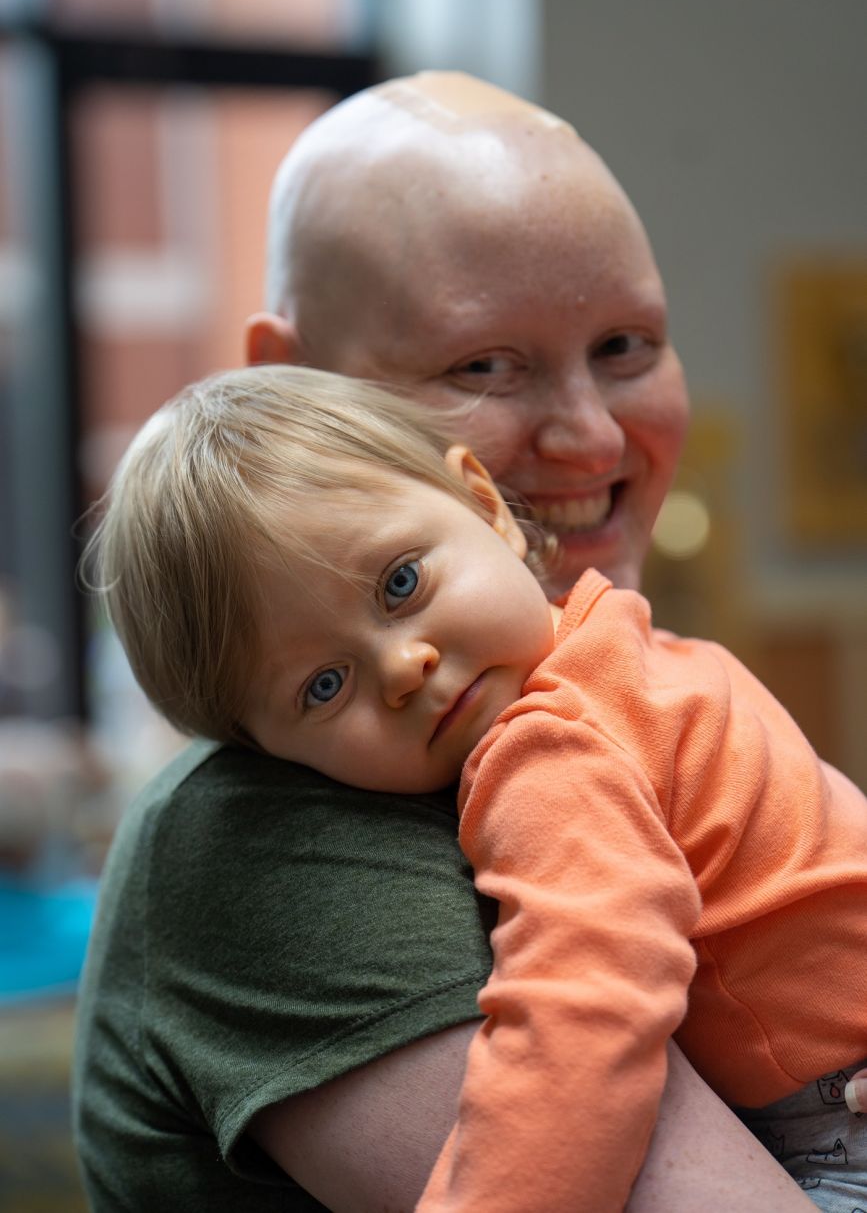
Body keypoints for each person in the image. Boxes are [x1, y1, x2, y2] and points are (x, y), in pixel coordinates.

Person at [72, 71, 816, 1213]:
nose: (592, 434)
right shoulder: (272, 830)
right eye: (482, 365)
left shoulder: (619, 677)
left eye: (625, 344)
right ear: (295, 377)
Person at [84, 363, 867, 1213]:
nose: (401, 667)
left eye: (399, 583)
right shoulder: (645, 654)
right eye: (321, 686)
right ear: (265, 754)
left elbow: (582, 1018)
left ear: (485, 506)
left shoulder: (547, 750)